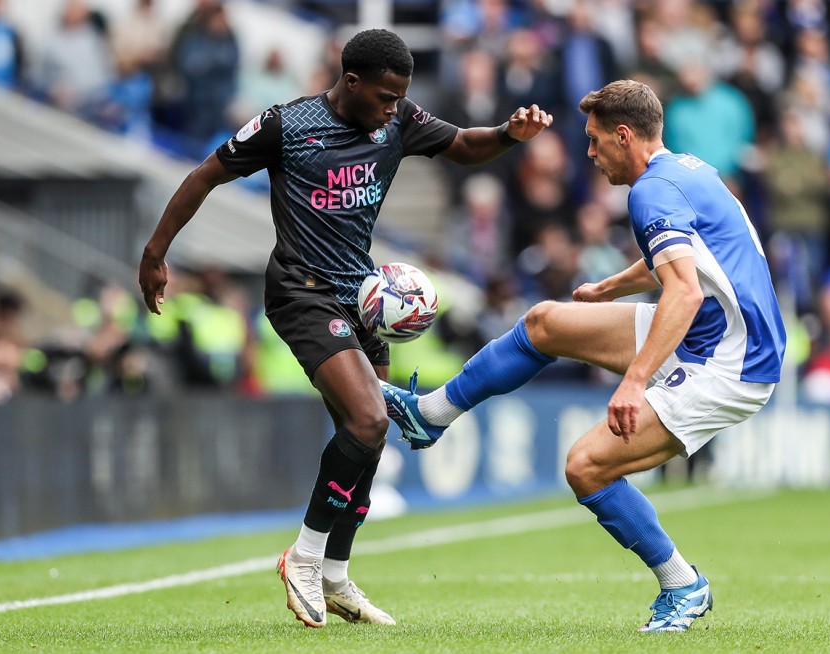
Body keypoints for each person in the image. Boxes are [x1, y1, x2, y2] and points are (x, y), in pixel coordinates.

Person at [138, 28, 552, 629]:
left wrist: (509, 136)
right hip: (301, 293)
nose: (392, 108)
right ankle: (303, 558)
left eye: (400, 98)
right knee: (368, 418)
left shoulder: (398, 120)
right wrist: (156, 252)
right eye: (385, 96)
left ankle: (335, 576)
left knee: (367, 439)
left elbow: (464, 144)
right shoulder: (287, 125)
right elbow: (206, 173)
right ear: (351, 82)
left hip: (361, 297)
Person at [380, 80, 786, 632]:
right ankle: (429, 416)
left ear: (624, 135)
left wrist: (635, 381)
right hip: (712, 333)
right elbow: (684, 259)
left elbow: (684, 291)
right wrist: (610, 289)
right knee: (546, 322)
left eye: (595, 141)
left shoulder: (650, 193)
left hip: (731, 363)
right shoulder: (688, 170)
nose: (590, 154)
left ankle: (683, 584)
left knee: (586, 466)